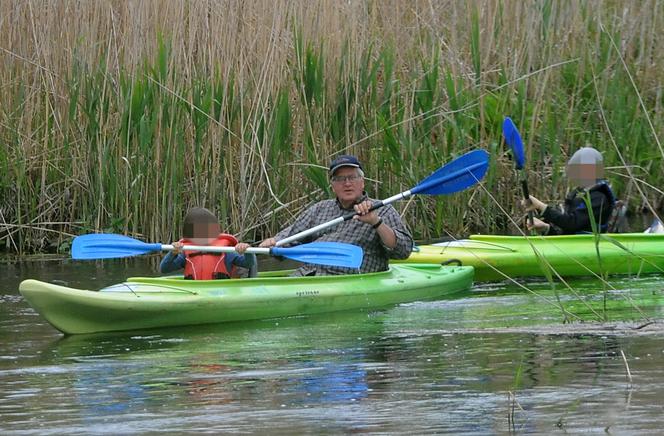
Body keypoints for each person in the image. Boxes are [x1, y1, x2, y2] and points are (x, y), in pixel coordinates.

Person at [258, 155, 413, 276]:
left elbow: (403, 251)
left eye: (352, 177)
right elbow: (291, 236)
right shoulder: (320, 209)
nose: (347, 183)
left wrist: (375, 222)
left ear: (362, 182)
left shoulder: (383, 209)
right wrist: (274, 242)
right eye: (339, 179)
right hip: (308, 276)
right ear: (332, 185)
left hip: (352, 280)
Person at [521, 146, 616, 235]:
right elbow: (568, 230)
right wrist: (546, 228)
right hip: (576, 244)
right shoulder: (579, 195)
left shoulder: (599, 198)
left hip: (590, 245)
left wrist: (541, 206)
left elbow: (572, 224)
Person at [160, 207, 256, 279]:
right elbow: (164, 269)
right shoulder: (186, 252)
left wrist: (246, 250)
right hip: (194, 291)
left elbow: (248, 263)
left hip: (222, 292)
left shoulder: (226, 251)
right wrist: (172, 253)